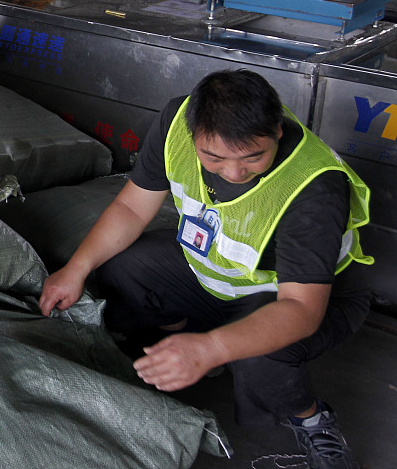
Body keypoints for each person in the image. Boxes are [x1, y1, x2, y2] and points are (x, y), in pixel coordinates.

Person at [40, 69, 371, 469]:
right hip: (213, 271)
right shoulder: (176, 123)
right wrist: (76, 268)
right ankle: (192, 335)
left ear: (278, 130)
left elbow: (301, 309)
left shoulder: (313, 186)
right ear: (193, 133)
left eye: (254, 157)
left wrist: (213, 348)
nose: (233, 172)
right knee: (121, 268)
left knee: (262, 354)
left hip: (295, 297)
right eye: (214, 158)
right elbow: (131, 208)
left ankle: (312, 418)